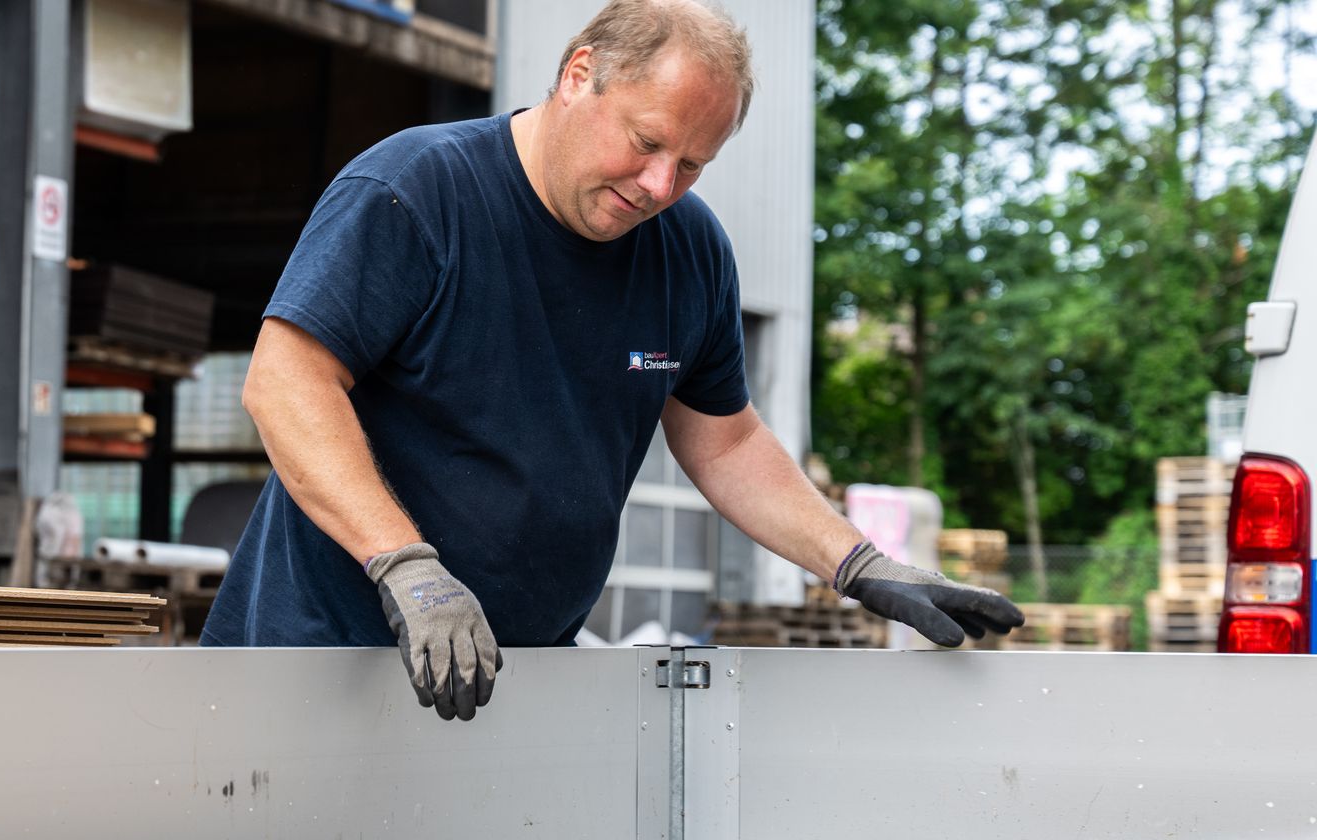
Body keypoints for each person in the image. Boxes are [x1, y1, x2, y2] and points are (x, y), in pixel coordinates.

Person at [200, 0, 1023, 721]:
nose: (660, 185)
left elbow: (726, 442)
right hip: (317, 663)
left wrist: (858, 562)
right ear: (578, 74)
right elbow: (287, 383)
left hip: (515, 679)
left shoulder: (690, 252)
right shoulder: (415, 193)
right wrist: (408, 568)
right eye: (647, 141)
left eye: (693, 164)